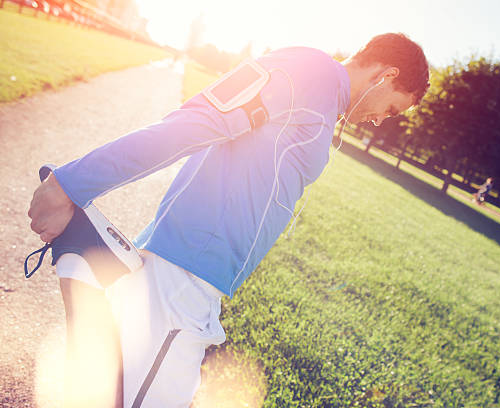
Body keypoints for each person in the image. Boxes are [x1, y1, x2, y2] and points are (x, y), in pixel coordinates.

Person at [27, 33, 429, 407]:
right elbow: (192, 125)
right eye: (392, 108)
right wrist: (71, 184)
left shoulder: (326, 98)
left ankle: (83, 267)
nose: (381, 120)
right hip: (182, 276)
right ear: (386, 74)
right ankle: (81, 265)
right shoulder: (311, 73)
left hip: (195, 277)